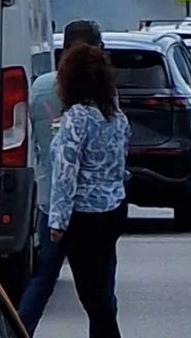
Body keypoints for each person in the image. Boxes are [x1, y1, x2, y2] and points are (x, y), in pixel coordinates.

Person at [18, 20, 116, 335]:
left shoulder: (40, 87)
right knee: (100, 289)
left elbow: (35, 143)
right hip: (91, 209)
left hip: (50, 201)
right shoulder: (102, 97)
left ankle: (19, 331)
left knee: (43, 280)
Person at [48, 43, 131, 338]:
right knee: (103, 288)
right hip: (114, 208)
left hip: (84, 215)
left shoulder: (76, 118)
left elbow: (66, 172)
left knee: (92, 298)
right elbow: (120, 165)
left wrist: (58, 220)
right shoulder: (117, 118)